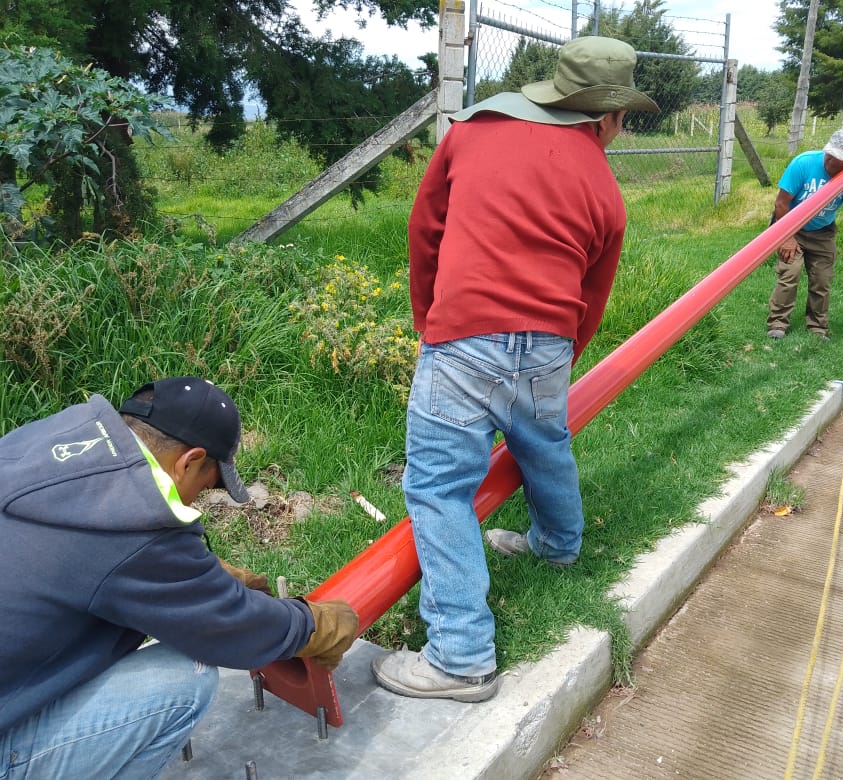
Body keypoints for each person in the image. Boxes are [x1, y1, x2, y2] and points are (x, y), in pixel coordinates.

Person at [370, 36, 659, 704]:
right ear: (607, 117)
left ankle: (461, 658)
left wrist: (428, 320)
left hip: (464, 333)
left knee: (441, 488)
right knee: (544, 440)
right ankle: (558, 544)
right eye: (623, 119)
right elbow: (594, 291)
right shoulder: (605, 188)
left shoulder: (474, 132)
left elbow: (426, 232)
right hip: (550, 341)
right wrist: (559, 358)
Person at [0, 376, 359, 778]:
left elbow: (83, 560)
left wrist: (200, 578)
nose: (199, 498)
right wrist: (315, 625)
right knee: (188, 678)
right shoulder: (132, 525)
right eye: (205, 486)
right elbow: (233, 629)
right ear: (189, 461)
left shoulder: (55, 438)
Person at [765, 128, 843, 340]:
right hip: (791, 227)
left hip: (822, 233)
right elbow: (781, 204)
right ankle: (777, 323)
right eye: (830, 153)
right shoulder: (804, 163)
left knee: (821, 279)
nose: (830, 160)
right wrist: (787, 237)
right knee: (789, 274)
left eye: (838, 157)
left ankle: (817, 327)